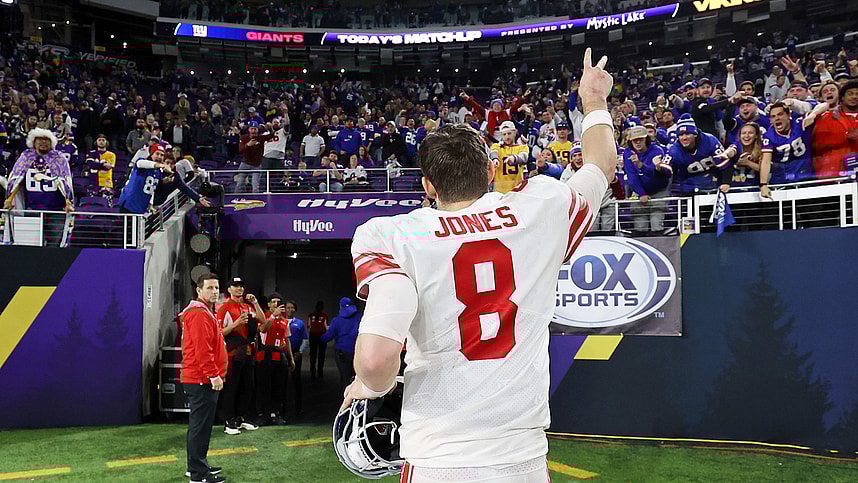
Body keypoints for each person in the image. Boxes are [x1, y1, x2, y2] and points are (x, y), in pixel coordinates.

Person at [338, 48, 615, 482]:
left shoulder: (391, 235)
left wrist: (367, 389)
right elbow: (600, 166)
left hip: (437, 457)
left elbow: (375, 361)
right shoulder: (541, 207)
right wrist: (594, 102)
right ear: (490, 170)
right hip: (519, 456)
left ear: (428, 185)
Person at [180, 273, 227, 483]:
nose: (214, 291)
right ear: (198, 291)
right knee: (200, 427)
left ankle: (197, 466)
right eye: (209, 288)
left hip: (200, 378)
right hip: (201, 379)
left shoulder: (204, 312)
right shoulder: (200, 314)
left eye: (216, 287)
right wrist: (213, 375)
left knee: (200, 426)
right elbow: (202, 349)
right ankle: (198, 474)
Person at [2, 128, 74, 247]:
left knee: (55, 246)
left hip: (56, 211)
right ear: (33, 142)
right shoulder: (26, 157)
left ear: (52, 143)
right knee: (30, 246)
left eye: (46, 140)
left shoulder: (59, 158)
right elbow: (16, 179)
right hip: (31, 210)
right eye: (39, 140)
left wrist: (68, 202)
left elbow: (65, 181)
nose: (43, 142)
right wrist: (9, 199)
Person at [216, 277, 265, 435]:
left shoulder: (247, 306)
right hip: (232, 353)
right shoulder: (224, 308)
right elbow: (219, 333)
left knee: (247, 386)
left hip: (249, 353)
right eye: (235, 286)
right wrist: (236, 323)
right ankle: (228, 420)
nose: (239, 289)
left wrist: (256, 302)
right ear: (229, 289)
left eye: (241, 286)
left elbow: (263, 321)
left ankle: (241, 417)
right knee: (231, 388)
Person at [255, 293, 295, 426]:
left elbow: (286, 339)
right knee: (265, 385)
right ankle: (263, 414)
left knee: (279, 386)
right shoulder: (264, 317)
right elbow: (263, 329)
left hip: (280, 353)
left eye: (278, 302)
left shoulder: (284, 321)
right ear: (268, 304)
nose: (276, 304)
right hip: (266, 353)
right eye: (273, 302)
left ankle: (276, 413)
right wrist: (273, 316)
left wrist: (291, 358)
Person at [624, 125, 672, 232]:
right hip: (639, 192)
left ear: (646, 139)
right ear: (630, 141)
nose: (637, 142)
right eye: (634, 140)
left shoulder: (657, 151)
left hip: (659, 190)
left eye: (640, 139)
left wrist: (639, 164)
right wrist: (641, 193)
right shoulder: (628, 153)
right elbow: (631, 175)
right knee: (640, 226)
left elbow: (655, 174)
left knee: (656, 223)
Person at [320, 297, 361, 390]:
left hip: (343, 353)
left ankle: (347, 400)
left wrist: (320, 337)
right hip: (358, 352)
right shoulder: (360, 317)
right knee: (359, 378)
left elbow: (327, 337)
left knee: (345, 378)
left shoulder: (337, 320)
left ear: (340, 307)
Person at [488, 121, 529, 194]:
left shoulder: (522, 147)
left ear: (515, 132)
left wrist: (515, 158)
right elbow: (494, 152)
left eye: (509, 133)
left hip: (517, 190)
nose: (507, 137)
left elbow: (524, 157)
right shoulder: (496, 146)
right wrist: (495, 159)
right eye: (504, 134)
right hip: (500, 190)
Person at [284, 300, 308, 416]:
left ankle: (298, 407)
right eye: (287, 308)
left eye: (292, 308)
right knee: (282, 381)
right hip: (283, 354)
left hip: (296, 353)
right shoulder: (281, 321)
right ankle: (282, 407)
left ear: (295, 309)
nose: (289, 310)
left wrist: (300, 352)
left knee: (296, 380)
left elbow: (305, 339)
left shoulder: (300, 323)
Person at [307, 301, 329, 379]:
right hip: (322, 336)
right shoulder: (324, 315)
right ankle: (320, 371)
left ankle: (312, 370)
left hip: (313, 335)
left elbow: (309, 326)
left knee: (312, 354)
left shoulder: (311, 315)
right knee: (321, 354)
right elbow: (326, 326)